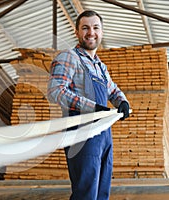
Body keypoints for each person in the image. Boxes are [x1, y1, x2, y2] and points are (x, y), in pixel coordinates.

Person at [47, 10, 130, 200]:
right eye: (85, 28)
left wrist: (123, 101)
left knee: (101, 194)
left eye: (95, 28)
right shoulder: (69, 57)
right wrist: (92, 108)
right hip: (82, 134)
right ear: (77, 32)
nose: (91, 32)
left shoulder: (100, 66)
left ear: (101, 32)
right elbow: (55, 91)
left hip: (103, 135)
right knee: (86, 194)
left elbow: (113, 90)